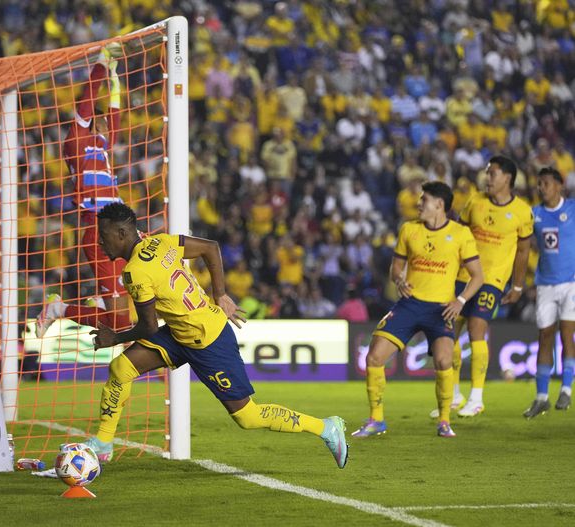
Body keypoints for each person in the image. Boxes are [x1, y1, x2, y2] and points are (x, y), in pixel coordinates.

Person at [66, 202, 347, 468]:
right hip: (180, 333)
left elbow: (149, 327)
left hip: (208, 339)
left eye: (103, 236)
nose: (99, 242)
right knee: (121, 367)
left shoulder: (134, 272)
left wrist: (113, 338)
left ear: (122, 233)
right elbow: (210, 248)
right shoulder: (161, 241)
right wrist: (220, 294)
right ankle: (103, 442)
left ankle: (325, 427)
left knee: (247, 417)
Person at [352, 182, 484, 438]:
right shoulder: (409, 229)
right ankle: (376, 419)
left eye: (424, 200)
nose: (419, 203)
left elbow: (478, 276)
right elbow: (395, 268)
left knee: (445, 360)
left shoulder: (460, 234)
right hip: (409, 306)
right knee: (374, 357)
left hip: (441, 309)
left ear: (439, 205)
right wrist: (399, 280)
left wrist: (460, 301)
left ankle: (444, 422)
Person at [36, 43, 131, 337]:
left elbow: (115, 113)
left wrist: (115, 75)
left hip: (124, 232)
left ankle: (100, 300)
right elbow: (89, 98)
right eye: (101, 120)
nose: (108, 125)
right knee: (121, 323)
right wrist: (102, 64)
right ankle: (58, 309)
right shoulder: (76, 143)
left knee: (127, 315)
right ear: (92, 123)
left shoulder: (104, 146)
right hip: (101, 233)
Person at [431, 156, 533, 419]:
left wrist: (518, 286)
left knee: (477, 328)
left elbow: (523, 252)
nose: (487, 178)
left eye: (493, 174)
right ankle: (453, 395)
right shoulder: (475, 202)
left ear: (507, 178)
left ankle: (476, 398)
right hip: (463, 275)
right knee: (449, 330)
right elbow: (457, 236)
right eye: (487, 173)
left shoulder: (522, 211)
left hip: (492, 281)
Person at [523, 168, 575, 418]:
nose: (540, 187)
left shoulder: (573, 209)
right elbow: (523, 244)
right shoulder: (535, 214)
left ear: (559, 186)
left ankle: (566, 389)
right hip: (544, 284)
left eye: (545, 183)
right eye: (539, 183)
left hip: (571, 283)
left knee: (567, 335)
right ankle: (541, 397)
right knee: (544, 336)